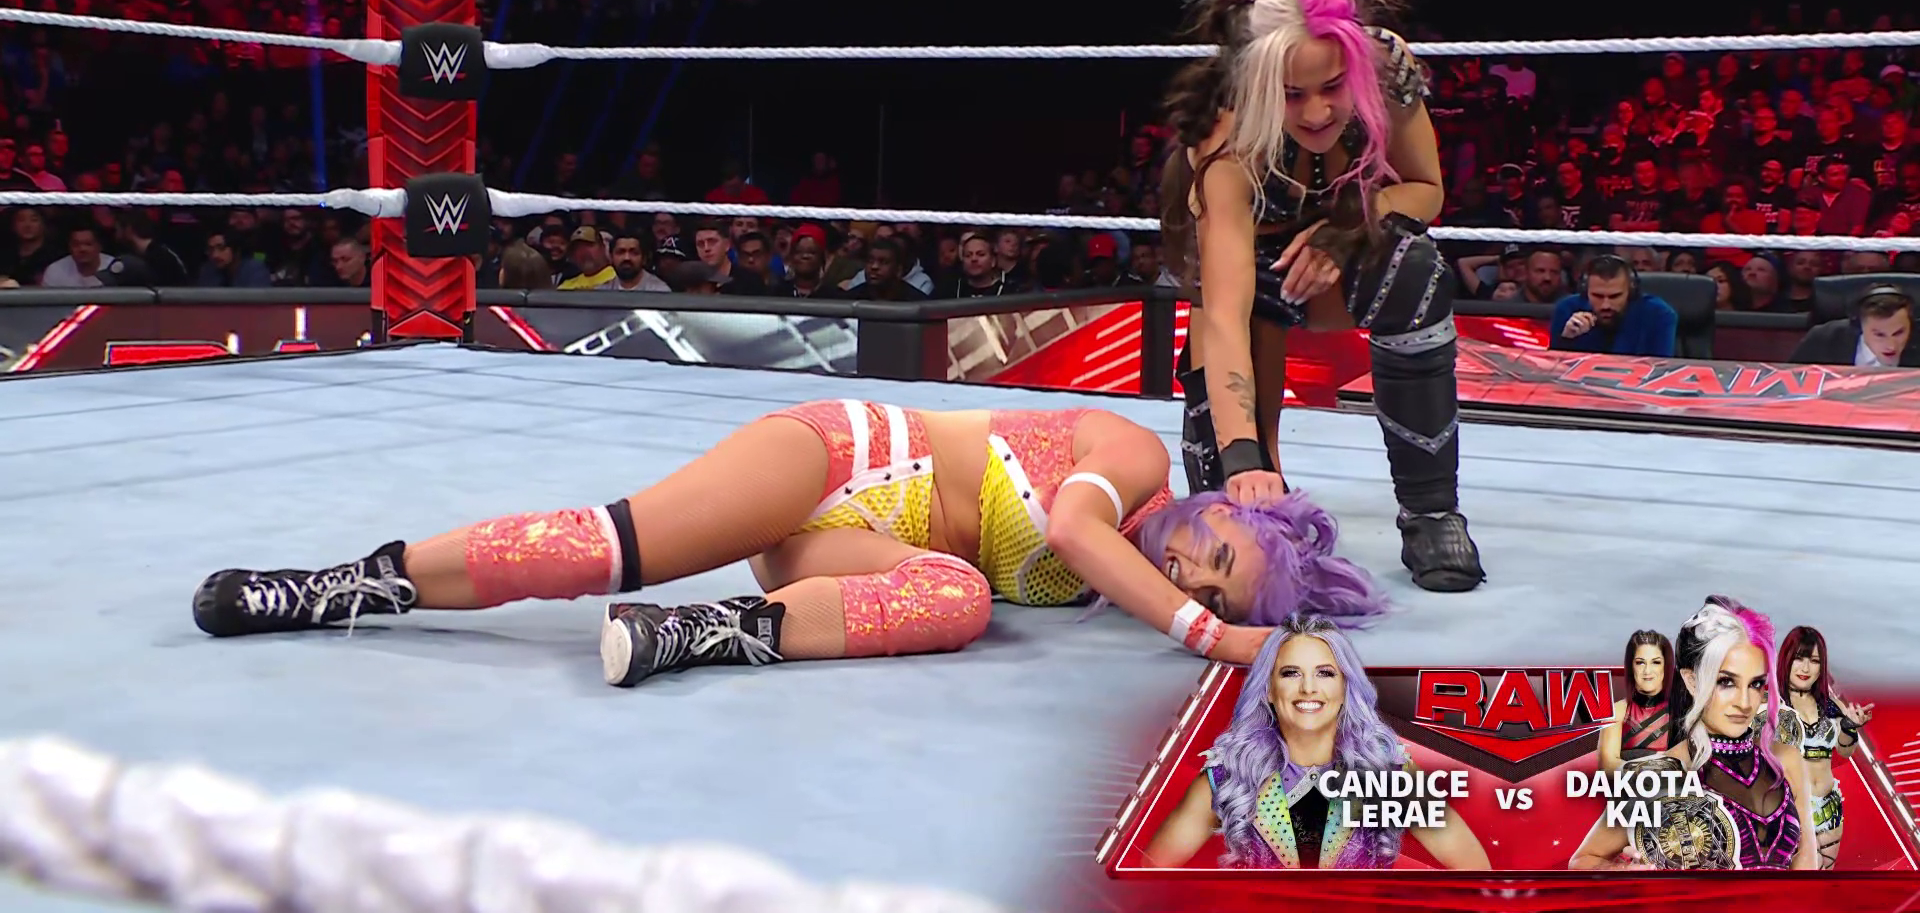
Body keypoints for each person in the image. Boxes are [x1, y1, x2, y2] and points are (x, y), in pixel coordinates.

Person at [192, 401, 1391, 685]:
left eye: (1209, 588)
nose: (1186, 574)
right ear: (1220, 509)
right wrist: (1208, 635)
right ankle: (342, 586)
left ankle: (700, 633)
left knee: (958, 606)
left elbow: (1069, 566)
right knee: (609, 546)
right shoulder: (1127, 458)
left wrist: (1211, 621)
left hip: (845, 555)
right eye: (1213, 556)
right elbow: (1074, 529)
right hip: (842, 460)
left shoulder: (1121, 574)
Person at [1159, 0, 1482, 593]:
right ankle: (1250, 475)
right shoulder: (1226, 134)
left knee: (1415, 268)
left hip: (1343, 254)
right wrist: (1244, 459)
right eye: (1292, 95)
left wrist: (1348, 227)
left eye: (1332, 88)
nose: (1315, 113)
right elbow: (1224, 310)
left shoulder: (1385, 69)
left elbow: (1426, 190)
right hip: (1249, 273)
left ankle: (1431, 513)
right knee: (1240, 530)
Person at [1142, 613, 1489, 869]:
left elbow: (1475, 869)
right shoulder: (1229, 776)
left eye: (1325, 673)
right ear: (1269, 690)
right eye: (1291, 673)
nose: (1308, 688)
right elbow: (1147, 874)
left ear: (1345, 687)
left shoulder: (1388, 771)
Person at [1569, 596, 1818, 871]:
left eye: (1756, 684)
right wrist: (1624, 873)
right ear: (1691, 680)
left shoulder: (1786, 760)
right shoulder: (1657, 777)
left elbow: (1807, 866)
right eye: (1726, 682)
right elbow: (1583, 861)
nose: (1745, 702)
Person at [1776, 626, 1875, 869]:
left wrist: (1849, 728)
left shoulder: (1831, 705)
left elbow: (1844, 751)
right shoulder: (1771, 704)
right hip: (1792, 807)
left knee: (1824, 876)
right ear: (1786, 659)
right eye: (1799, 658)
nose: (1805, 668)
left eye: (1814, 661)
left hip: (1830, 806)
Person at [1548, 255, 1679, 357]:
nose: (1606, 305)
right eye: (1598, 296)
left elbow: (1660, 370)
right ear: (1585, 291)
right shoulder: (1566, 310)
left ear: (1631, 291)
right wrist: (1566, 340)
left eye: (1615, 296)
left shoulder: (1659, 315)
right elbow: (1552, 371)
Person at [1597, 629, 1675, 772]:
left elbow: (1690, 763)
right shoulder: (1618, 711)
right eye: (1640, 663)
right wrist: (1658, 763)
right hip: (1627, 786)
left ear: (1666, 666)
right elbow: (1607, 767)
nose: (1647, 671)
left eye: (1656, 662)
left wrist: (1632, 762)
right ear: (1631, 666)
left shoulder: (1682, 711)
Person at [1789, 285, 1919, 367]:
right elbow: (1790, 383)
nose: (1891, 346)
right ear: (1859, 326)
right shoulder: (1824, 339)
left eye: (1899, 333)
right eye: (1879, 335)